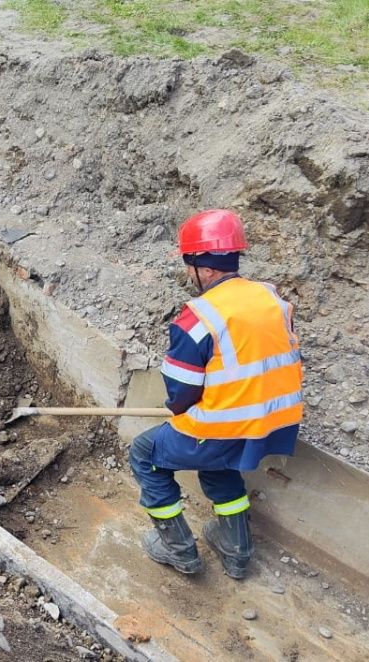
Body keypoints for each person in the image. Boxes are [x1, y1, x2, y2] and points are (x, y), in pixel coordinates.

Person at [129, 209, 303, 579]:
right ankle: (236, 551)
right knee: (217, 464)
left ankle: (179, 550)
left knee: (145, 455)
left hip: (225, 425)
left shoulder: (200, 316)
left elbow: (180, 391)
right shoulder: (271, 298)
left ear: (204, 269)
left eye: (189, 266)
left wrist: (178, 411)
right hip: (270, 424)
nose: (189, 275)